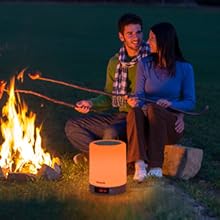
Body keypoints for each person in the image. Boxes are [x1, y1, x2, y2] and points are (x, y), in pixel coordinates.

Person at [65, 14, 184, 181]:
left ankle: (111, 159)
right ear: (121, 36)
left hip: (143, 116)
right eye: (130, 33)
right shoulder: (115, 62)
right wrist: (90, 103)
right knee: (73, 126)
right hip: (122, 116)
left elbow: (172, 89)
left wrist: (179, 113)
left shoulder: (153, 57)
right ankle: (105, 157)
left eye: (139, 32)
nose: (136, 38)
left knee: (110, 133)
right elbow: (109, 96)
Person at [126, 22, 196, 182]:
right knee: (135, 111)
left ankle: (156, 166)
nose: (147, 42)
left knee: (154, 108)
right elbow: (139, 94)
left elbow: (190, 102)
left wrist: (172, 105)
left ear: (164, 42)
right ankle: (140, 164)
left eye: (152, 38)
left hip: (169, 125)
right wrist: (135, 101)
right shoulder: (144, 64)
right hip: (147, 119)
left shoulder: (185, 68)